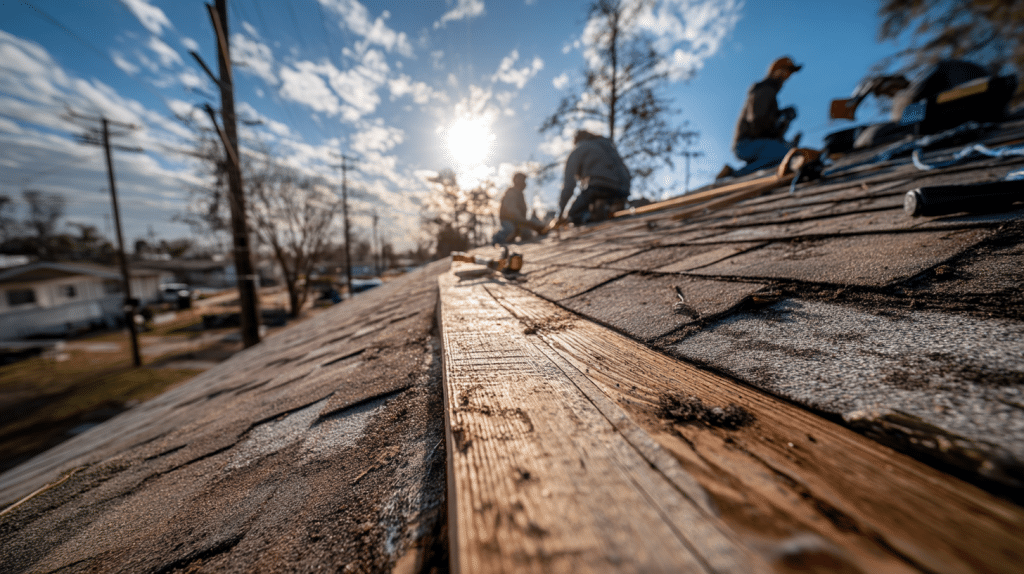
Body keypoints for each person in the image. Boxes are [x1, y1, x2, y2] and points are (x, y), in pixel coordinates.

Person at [721, 56, 803, 179]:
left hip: (755, 143)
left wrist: (784, 120)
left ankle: (740, 172)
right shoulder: (765, 90)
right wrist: (780, 119)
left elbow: (768, 127)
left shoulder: (770, 92)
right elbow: (758, 121)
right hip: (745, 144)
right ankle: (733, 176)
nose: (788, 77)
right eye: (787, 72)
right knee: (785, 155)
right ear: (778, 71)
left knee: (787, 152)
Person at [559, 130, 631, 225]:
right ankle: (609, 206)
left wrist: (559, 214)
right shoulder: (608, 147)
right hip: (623, 191)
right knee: (602, 199)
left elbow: (569, 186)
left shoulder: (579, 149)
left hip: (598, 188)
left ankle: (595, 215)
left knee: (574, 214)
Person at [492, 172, 545, 244]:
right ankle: (496, 240)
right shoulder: (510, 192)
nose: (524, 182)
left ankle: (514, 235)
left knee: (527, 234)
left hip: (519, 222)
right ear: (517, 180)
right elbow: (512, 211)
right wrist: (527, 222)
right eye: (522, 180)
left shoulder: (521, 194)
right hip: (508, 221)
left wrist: (531, 225)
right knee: (509, 229)